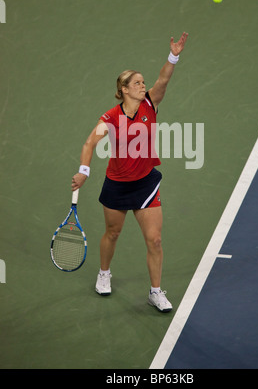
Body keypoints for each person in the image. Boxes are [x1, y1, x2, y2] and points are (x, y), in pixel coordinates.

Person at [71, 32, 188, 312]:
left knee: (155, 240)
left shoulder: (150, 103)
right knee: (112, 232)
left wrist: (173, 55)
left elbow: (164, 79)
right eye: (136, 83)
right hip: (117, 184)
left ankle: (156, 292)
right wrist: (84, 171)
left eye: (142, 82)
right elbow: (90, 142)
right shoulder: (110, 118)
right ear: (123, 89)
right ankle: (104, 273)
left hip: (146, 184)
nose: (142, 85)